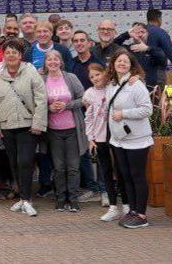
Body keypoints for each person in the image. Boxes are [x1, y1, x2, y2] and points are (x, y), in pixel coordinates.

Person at [0, 38, 46, 217]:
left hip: (28, 125)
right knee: (14, 163)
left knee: (25, 162)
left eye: (15, 52)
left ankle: (27, 199)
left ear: (21, 55)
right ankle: (22, 198)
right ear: (3, 56)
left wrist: (38, 123)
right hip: (6, 126)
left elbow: (41, 98)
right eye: (8, 52)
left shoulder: (30, 72)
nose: (11, 55)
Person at [107, 48, 154, 228]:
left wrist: (124, 113)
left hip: (137, 139)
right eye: (118, 61)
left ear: (131, 66)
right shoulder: (113, 84)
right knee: (125, 176)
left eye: (125, 61)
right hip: (119, 139)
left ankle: (141, 215)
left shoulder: (136, 85)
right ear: (113, 64)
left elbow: (147, 109)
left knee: (137, 176)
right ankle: (132, 210)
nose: (121, 63)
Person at [82, 60, 128, 223]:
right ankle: (113, 207)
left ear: (104, 73)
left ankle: (127, 206)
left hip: (116, 135)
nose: (95, 78)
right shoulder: (89, 94)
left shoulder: (113, 88)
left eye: (97, 74)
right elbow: (88, 118)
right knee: (106, 171)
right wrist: (90, 138)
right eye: (91, 76)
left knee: (121, 170)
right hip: (99, 137)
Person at [42, 49, 87, 212]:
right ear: (45, 63)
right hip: (54, 130)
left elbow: (83, 99)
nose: (53, 62)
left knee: (73, 166)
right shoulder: (42, 79)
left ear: (61, 62)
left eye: (56, 59)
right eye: (49, 59)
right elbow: (38, 103)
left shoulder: (70, 78)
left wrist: (67, 105)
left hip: (72, 129)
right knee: (59, 167)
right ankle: (61, 198)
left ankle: (73, 199)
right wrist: (49, 107)